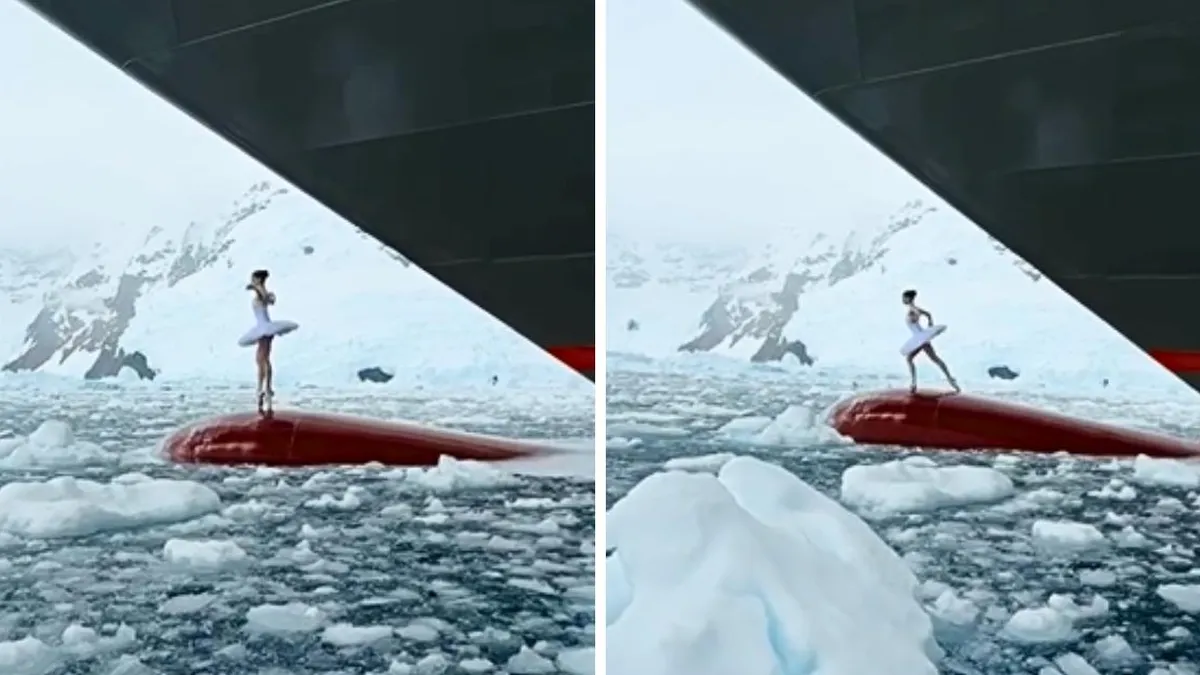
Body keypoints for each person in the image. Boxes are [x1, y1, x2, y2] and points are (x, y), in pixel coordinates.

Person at [237, 269, 299, 412]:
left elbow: (265, 298)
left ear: (258, 280)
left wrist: (256, 287)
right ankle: (264, 388)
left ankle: (265, 389)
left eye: (253, 279)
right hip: (263, 328)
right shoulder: (260, 292)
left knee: (262, 359)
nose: (251, 281)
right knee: (262, 359)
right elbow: (267, 299)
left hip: (264, 328)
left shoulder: (261, 291)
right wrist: (255, 288)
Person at [900, 289, 959, 393]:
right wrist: (930, 322)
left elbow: (916, 316)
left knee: (910, 359)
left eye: (904, 298)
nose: (903, 300)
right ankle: (950, 379)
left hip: (919, 339)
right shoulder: (914, 308)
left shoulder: (912, 309)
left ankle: (914, 384)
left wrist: (915, 318)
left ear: (909, 298)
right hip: (920, 338)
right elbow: (928, 314)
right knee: (934, 359)